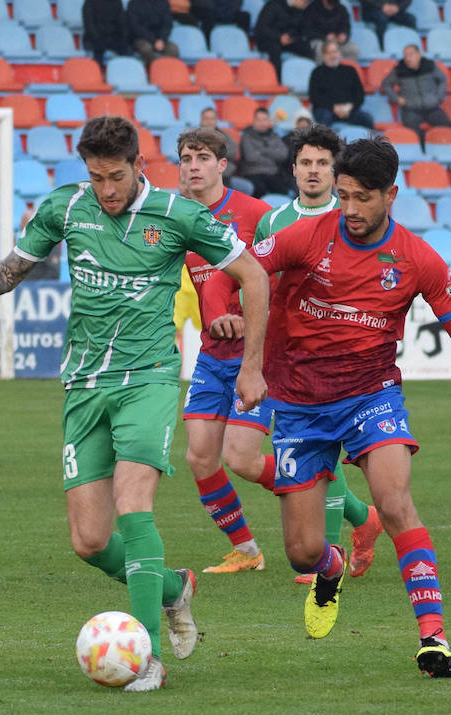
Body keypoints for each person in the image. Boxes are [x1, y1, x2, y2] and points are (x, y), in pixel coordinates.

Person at [0, 116, 272, 691]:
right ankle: (172, 588)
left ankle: (149, 659)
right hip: (85, 385)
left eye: (116, 176)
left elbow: (254, 276)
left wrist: (254, 364)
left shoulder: (179, 215)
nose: (107, 189)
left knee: (133, 502)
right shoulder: (66, 208)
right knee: (89, 541)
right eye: (96, 177)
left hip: (149, 379)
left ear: (139, 165)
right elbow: (6, 275)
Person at [246, 135, 451, 677]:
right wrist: (234, 334)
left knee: (395, 499)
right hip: (299, 401)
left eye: (363, 198)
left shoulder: (416, 259)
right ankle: (331, 567)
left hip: (371, 394)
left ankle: (434, 639)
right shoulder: (306, 236)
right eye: (343, 197)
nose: (351, 210)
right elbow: (241, 271)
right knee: (302, 552)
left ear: (392, 194)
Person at [249, 124, 384, 585]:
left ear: (336, 170)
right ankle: (361, 518)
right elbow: (258, 279)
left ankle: (325, 554)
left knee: (323, 448)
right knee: (245, 456)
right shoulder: (274, 221)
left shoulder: (352, 220)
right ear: (293, 169)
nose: (313, 171)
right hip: (281, 358)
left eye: (322, 163)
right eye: (305, 162)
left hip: (336, 363)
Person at [174, 126, 275, 574]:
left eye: (201, 158)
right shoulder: (174, 218)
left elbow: (273, 274)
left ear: (221, 164)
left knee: (242, 458)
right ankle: (247, 552)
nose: (192, 166)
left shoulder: (255, 213)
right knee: (199, 456)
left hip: (255, 354)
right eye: (185, 158)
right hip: (213, 355)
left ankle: (347, 509)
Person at [379, 44, 451, 133]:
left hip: (432, 107)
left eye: (411, 55)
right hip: (410, 109)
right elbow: (386, 84)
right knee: (412, 132)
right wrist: (396, 99)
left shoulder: (430, 66)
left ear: (419, 54)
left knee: (447, 127)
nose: (408, 59)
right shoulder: (399, 69)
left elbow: (442, 79)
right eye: (405, 56)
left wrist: (439, 97)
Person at [309, 40, 373, 129]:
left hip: (349, 110)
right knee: (324, 120)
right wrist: (333, 107)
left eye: (335, 51)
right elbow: (314, 97)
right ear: (324, 56)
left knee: (367, 119)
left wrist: (350, 107)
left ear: (339, 53)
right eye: (329, 53)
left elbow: (360, 94)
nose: (333, 55)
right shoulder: (317, 72)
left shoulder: (350, 70)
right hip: (327, 110)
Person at [238, 107, 294, 197]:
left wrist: (261, 150)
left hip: (272, 173)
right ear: (254, 121)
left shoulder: (274, 136)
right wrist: (272, 156)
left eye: (264, 119)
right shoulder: (246, 136)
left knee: (286, 191)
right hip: (253, 173)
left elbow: (283, 154)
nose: (262, 123)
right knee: (259, 189)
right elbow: (250, 157)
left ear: (269, 121)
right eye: (259, 120)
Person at [253, 0, 313, 79]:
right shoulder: (273, 5)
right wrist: (279, 37)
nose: (306, 4)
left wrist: (292, 38)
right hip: (269, 39)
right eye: (305, 2)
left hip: (289, 41)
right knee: (275, 49)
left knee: (306, 48)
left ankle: (308, 78)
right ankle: (277, 80)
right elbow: (262, 27)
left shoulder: (300, 11)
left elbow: (302, 30)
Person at [127, 0, 180, 66]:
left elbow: (167, 24)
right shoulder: (134, 3)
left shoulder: (163, 2)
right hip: (141, 38)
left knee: (173, 48)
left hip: (160, 39)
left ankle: (163, 69)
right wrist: (153, 40)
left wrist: (162, 39)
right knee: (146, 48)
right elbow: (135, 26)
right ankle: (155, 69)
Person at [81, 0, 130, 66]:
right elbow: (89, 25)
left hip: (112, 37)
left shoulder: (117, 2)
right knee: (98, 50)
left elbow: (122, 23)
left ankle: (125, 73)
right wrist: (97, 38)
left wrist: (123, 37)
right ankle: (97, 72)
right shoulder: (90, 2)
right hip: (94, 38)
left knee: (126, 49)